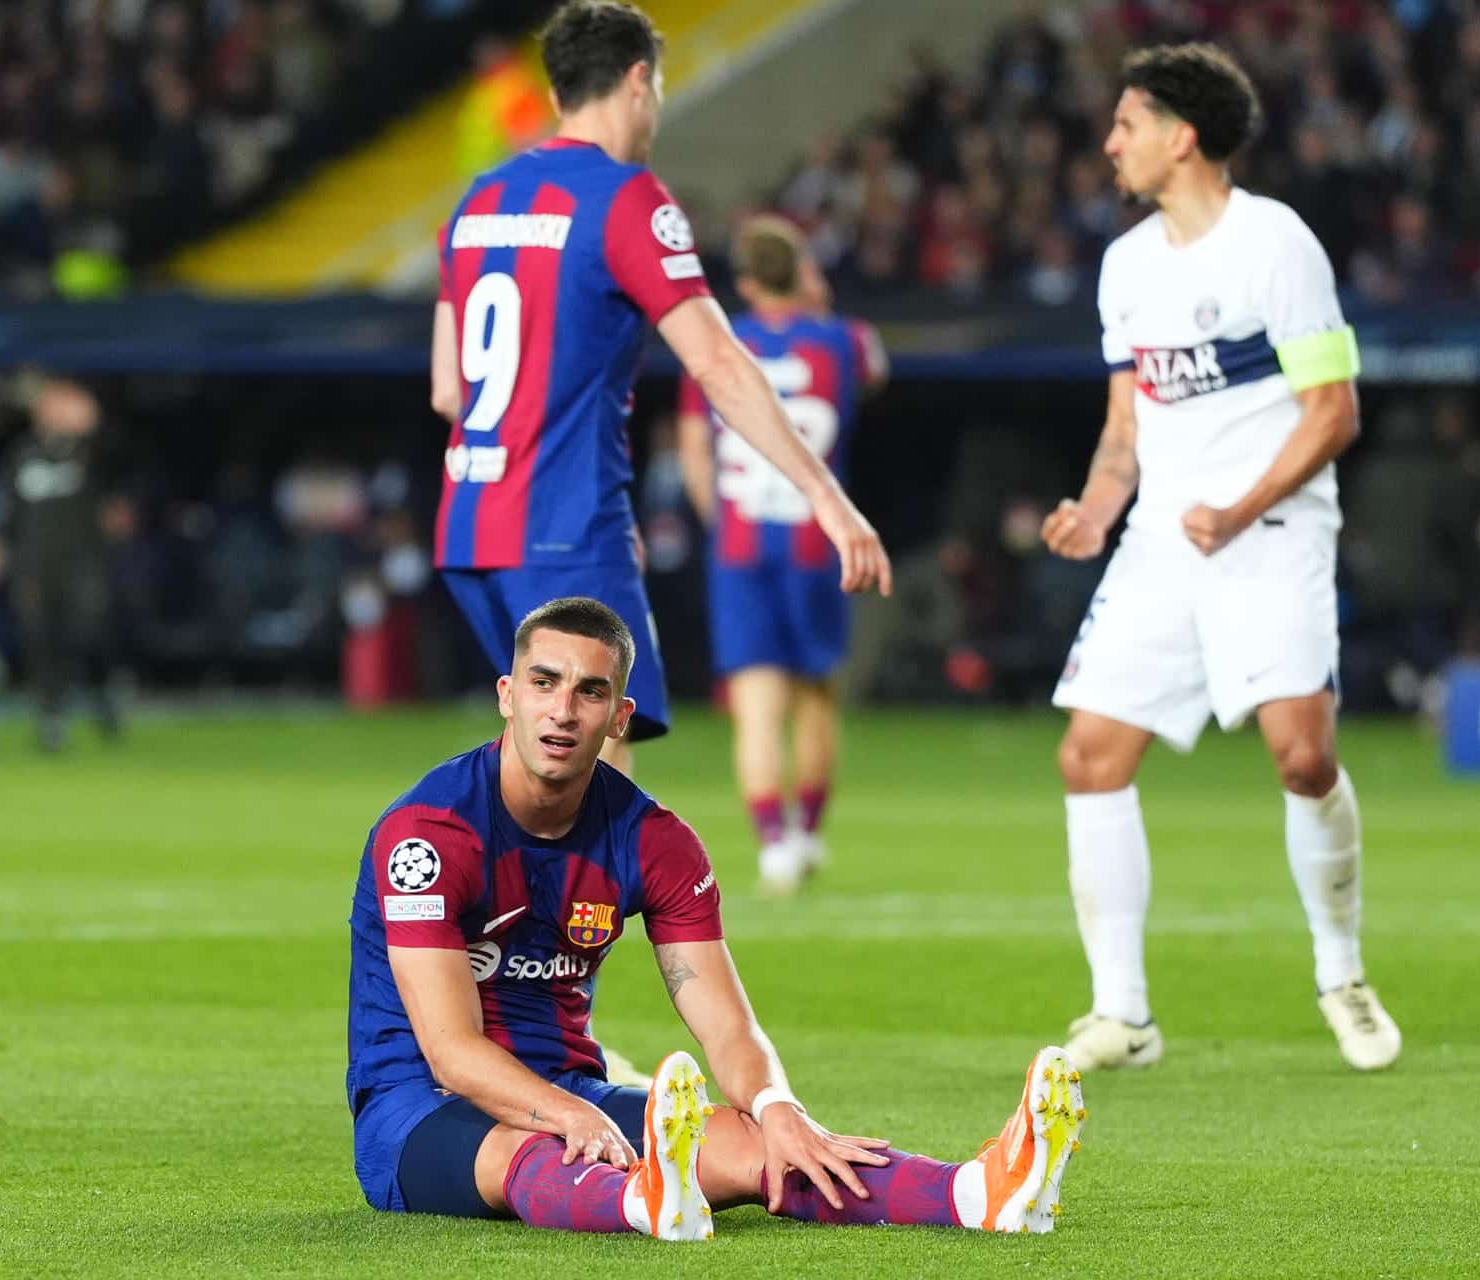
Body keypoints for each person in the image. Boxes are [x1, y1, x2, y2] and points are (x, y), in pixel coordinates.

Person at [346, 596, 1085, 1237]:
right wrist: (573, 1117)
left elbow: (726, 1024)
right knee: (521, 1151)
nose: (562, 711)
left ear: (620, 717)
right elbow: (450, 1051)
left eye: (590, 691)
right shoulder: (432, 835)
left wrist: (778, 1105)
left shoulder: (654, 841)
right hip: (420, 1108)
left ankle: (979, 1193)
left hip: (569, 1085)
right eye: (544, 683)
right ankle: (644, 1198)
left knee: (757, 1143)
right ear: (508, 694)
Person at [1041, 43, 1399, 1073]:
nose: (1110, 143)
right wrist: (1099, 508)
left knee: (1302, 753)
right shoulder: (1127, 264)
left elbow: (1333, 411)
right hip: (1164, 541)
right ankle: (1124, 1013)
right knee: (1090, 754)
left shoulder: (1275, 244)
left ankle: (1341, 972)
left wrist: (1241, 505)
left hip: (1272, 530)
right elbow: (1126, 424)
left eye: (1126, 123)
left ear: (1180, 135)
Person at [430, 0, 891, 780]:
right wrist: (827, 496)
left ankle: (526, 904)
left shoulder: (477, 201)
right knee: (596, 755)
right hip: (564, 520)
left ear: (557, 94)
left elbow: (449, 389)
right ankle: (576, 908)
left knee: (542, 756)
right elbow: (718, 363)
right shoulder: (626, 198)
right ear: (639, 80)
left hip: (472, 523)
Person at [675, 216, 888, 892]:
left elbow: (692, 449)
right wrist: (818, 304)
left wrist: (721, 521)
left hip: (740, 544)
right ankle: (807, 831)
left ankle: (772, 843)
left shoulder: (714, 341)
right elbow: (874, 377)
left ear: (742, 282)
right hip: (813, 542)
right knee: (817, 694)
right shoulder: (846, 341)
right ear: (803, 270)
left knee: (756, 704)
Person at [5, 378, 119, 752]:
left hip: (80, 561)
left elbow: (117, 456)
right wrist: (1, 549)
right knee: (40, 639)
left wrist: (90, 422)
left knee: (85, 634)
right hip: (35, 563)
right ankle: (51, 717)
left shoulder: (86, 451)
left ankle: (100, 694)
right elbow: (12, 511)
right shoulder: (22, 453)